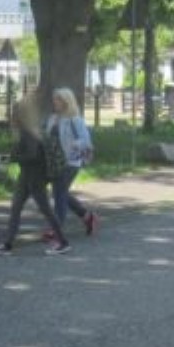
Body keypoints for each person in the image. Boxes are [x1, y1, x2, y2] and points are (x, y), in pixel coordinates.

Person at [0, 97, 70, 256]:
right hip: (27, 175)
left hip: (34, 176)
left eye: (14, 112)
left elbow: (33, 155)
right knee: (16, 208)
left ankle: (63, 242)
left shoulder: (28, 132)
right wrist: (13, 155)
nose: (11, 115)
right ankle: (7, 244)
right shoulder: (29, 129)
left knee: (45, 209)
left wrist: (14, 158)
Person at [44, 87, 99, 239]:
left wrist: (73, 146)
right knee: (60, 193)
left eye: (58, 100)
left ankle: (57, 228)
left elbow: (85, 141)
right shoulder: (53, 118)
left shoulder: (75, 120)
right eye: (55, 99)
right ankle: (88, 216)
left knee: (59, 193)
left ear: (67, 102)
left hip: (70, 162)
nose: (55, 102)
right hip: (55, 162)